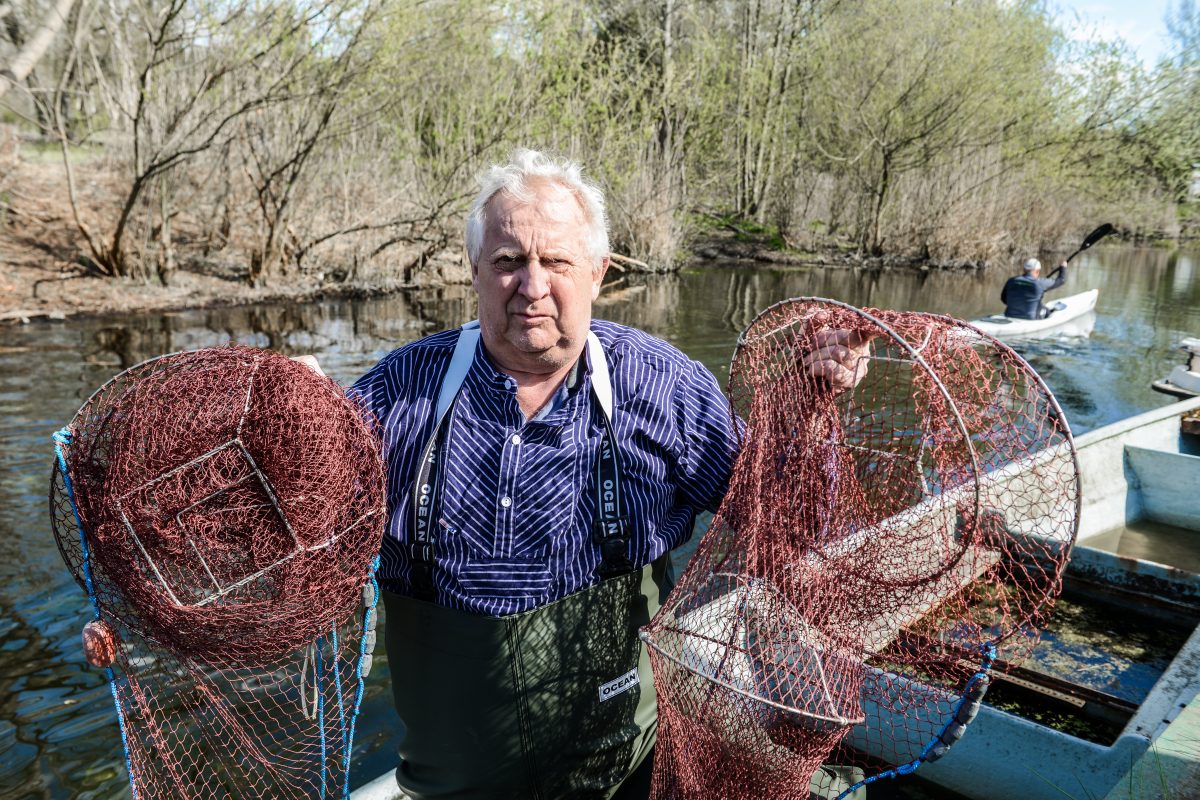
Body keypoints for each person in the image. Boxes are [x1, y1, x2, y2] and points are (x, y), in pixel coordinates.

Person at [345, 149, 870, 800]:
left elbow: (782, 520)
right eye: (509, 261)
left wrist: (809, 408)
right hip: (457, 778)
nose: (532, 286)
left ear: (598, 273)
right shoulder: (398, 390)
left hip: (623, 766)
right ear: (475, 271)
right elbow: (302, 526)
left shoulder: (662, 383)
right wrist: (288, 438)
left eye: (556, 262)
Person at [1001, 257, 1068, 320]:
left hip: (1009, 315)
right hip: (1031, 318)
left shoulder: (1011, 280)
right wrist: (1063, 268)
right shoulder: (1040, 283)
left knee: (1040, 306)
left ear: (1024, 270)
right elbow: (1061, 280)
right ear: (1037, 271)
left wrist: (1018, 305)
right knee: (1045, 310)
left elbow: (1003, 299)